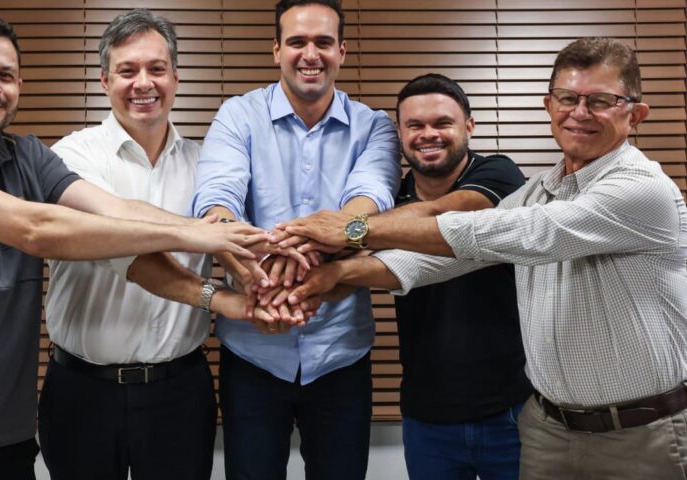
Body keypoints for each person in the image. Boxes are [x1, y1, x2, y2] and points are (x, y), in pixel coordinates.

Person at [0, 13, 266, 480]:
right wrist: (195, 235)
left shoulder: (28, 156)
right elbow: (36, 229)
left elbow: (115, 210)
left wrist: (224, 239)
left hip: (4, 437)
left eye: (5, 75)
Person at [281, 37, 687, 479]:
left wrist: (354, 229)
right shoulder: (539, 190)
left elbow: (519, 232)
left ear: (636, 114)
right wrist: (335, 276)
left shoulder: (641, 188)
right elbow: (447, 259)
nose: (580, 112)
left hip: (640, 432)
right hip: (549, 429)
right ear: (549, 105)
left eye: (601, 101)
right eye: (568, 98)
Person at [191, 0, 400, 478]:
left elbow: (368, 200)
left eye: (323, 42)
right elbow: (217, 199)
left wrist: (299, 248)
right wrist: (257, 258)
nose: (311, 54)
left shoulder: (373, 126)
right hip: (253, 349)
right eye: (297, 42)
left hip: (340, 353)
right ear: (276, 50)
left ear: (341, 51)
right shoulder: (238, 114)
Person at [38, 10, 222, 480]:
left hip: (179, 391)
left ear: (176, 77)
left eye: (157, 69)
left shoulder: (208, 166)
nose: (144, 83)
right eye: (127, 70)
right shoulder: (71, 155)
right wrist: (194, 233)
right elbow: (113, 238)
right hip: (82, 390)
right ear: (105, 81)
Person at [383, 74, 531, 479]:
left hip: (513, 410)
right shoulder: (388, 200)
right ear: (400, 133)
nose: (428, 134)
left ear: (469, 126)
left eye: (442, 123)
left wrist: (358, 230)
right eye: (415, 125)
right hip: (427, 417)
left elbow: (445, 218)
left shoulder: (500, 176)